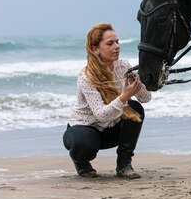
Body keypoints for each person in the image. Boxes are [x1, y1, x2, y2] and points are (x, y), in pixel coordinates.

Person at [63, 22, 151, 179]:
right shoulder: (86, 76)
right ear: (95, 49)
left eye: (117, 42)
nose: (116, 46)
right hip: (85, 128)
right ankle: (81, 163)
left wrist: (138, 81)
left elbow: (146, 98)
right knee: (85, 145)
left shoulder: (124, 66)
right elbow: (101, 115)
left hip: (110, 128)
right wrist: (124, 96)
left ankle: (124, 165)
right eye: (110, 43)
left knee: (135, 107)